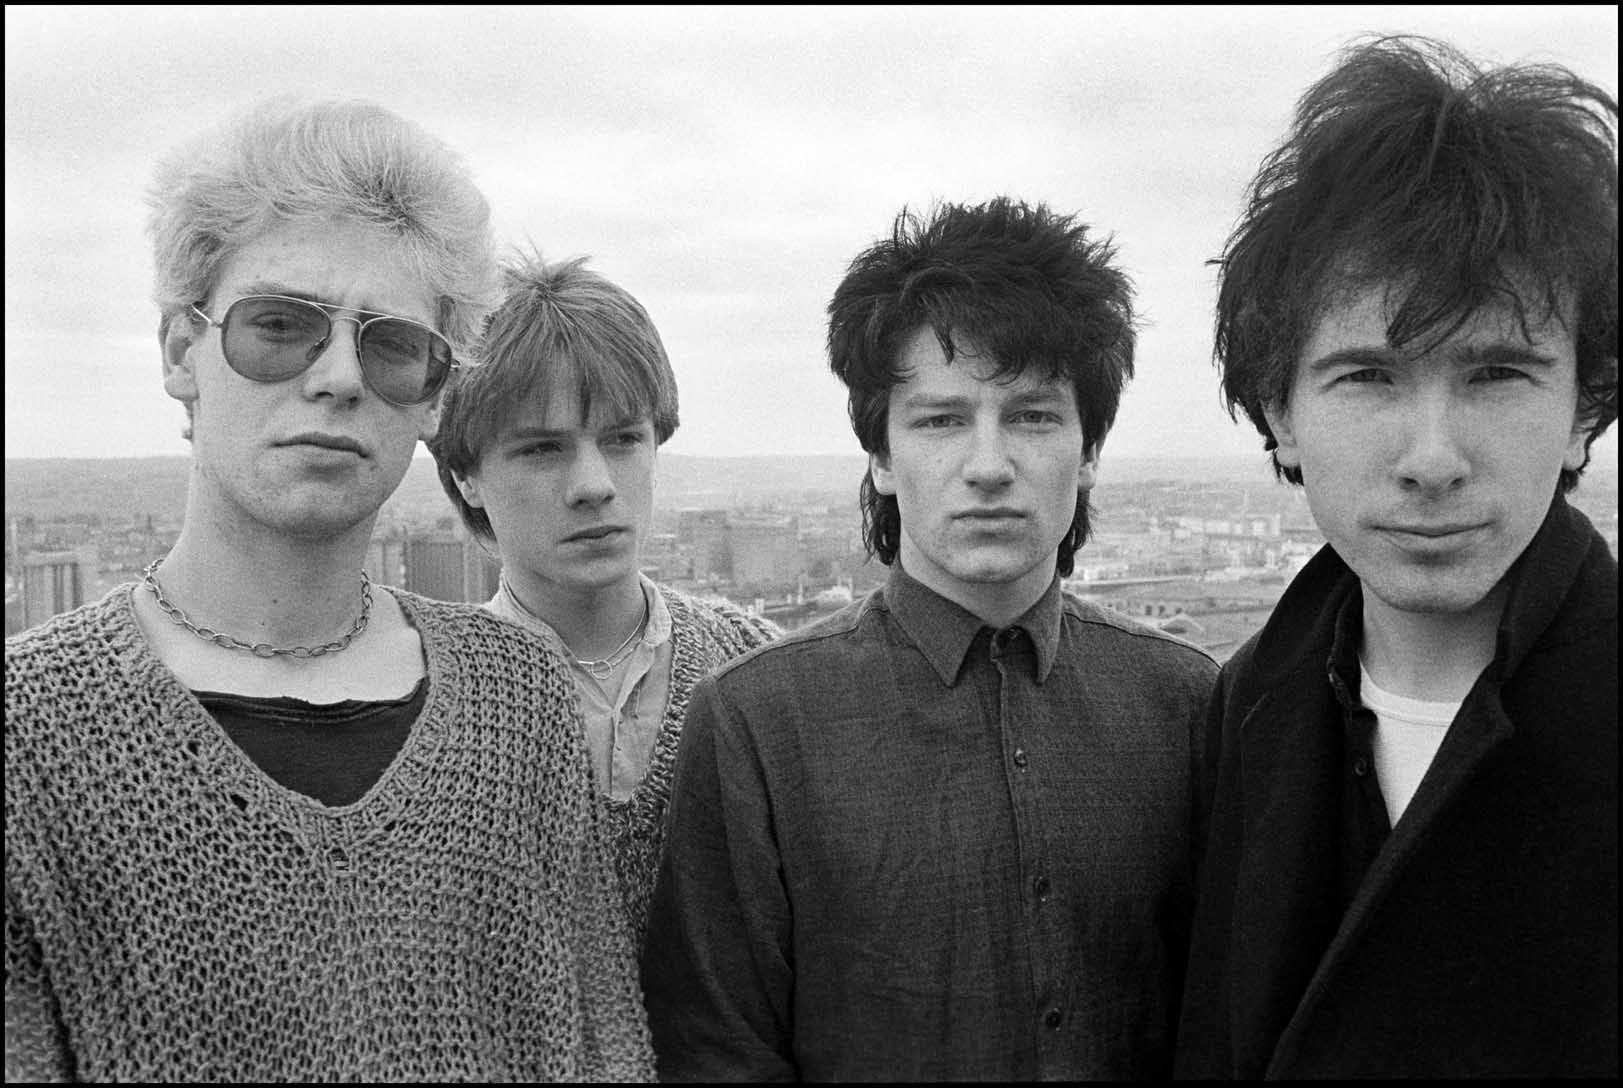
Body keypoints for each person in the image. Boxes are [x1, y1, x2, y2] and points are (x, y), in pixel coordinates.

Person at [3, 98, 652, 1081]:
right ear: (182, 350)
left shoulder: (521, 698)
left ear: (433, 394)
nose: (339, 376)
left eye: (391, 344)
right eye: (281, 326)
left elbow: (603, 1049)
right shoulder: (30, 734)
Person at [640, 197, 1220, 1080]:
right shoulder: (760, 723)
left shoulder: (1185, 702)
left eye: (1031, 416)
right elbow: (718, 1051)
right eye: (940, 419)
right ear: (879, 454)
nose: (988, 466)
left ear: (1089, 448)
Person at [1175, 36, 1618, 1078]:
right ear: (1279, 411)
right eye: (1368, 375)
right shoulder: (1246, 707)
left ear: (1582, 408)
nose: (1432, 458)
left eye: (1497, 372)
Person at [429, 252, 778, 950]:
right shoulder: (423, 697)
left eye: (622, 440)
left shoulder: (760, 668)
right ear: (466, 475)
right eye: (541, 450)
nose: (593, 484)